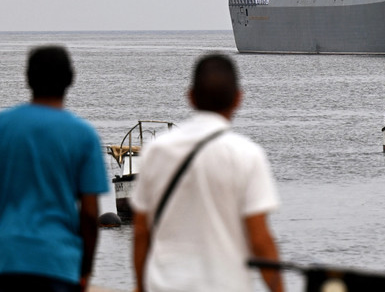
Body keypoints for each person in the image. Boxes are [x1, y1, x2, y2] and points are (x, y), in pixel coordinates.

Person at [131, 54, 283, 292]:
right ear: (238, 98)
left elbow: (141, 230)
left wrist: (140, 286)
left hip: (165, 285)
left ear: (190, 96)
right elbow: (259, 239)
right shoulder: (247, 155)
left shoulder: (155, 150)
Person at [0, 45, 109, 292]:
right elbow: (89, 214)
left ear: (28, 78)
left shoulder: (3, 126)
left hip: (7, 258)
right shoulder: (83, 135)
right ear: (70, 79)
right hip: (58, 262)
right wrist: (85, 269)